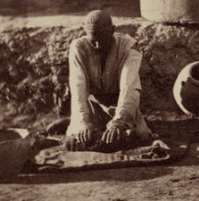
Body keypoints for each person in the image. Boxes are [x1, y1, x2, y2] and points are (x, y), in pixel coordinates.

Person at [64, 10, 153, 151]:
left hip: (119, 104)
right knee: (78, 139)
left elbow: (129, 87)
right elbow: (78, 86)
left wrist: (119, 122)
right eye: (94, 41)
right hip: (93, 105)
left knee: (141, 136)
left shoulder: (129, 46)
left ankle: (119, 127)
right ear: (84, 31)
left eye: (103, 40)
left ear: (113, 30)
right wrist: (84, 122)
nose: (98, 46)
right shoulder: (77, 47)